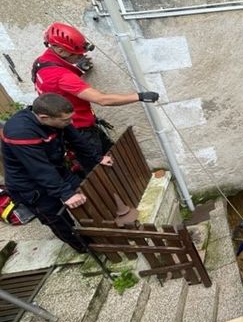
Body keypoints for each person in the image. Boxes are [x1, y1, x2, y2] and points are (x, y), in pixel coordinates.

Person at [32, 22, 159, 164]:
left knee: (112, 158)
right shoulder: (62, 76)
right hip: (81, 133)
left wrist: (78, 68)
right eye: (77, 55)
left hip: (70, 130)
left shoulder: (41, 63)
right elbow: (102, 99)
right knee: (101, 169)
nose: (81, 57)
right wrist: (139, 96)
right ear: (61, 51)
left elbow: (58, 86)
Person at [1, 94, 113, 252]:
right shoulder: (20, 132)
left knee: (85, 196)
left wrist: (97, 158)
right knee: (59, 219)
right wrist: (66, 193)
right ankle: (84, 248)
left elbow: (77, 140)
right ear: (44, 117)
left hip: (56, 171)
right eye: (66, 120)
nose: (70, 123)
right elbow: (39, 168)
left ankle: (103, 233)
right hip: (30, 186)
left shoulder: (58, 119)